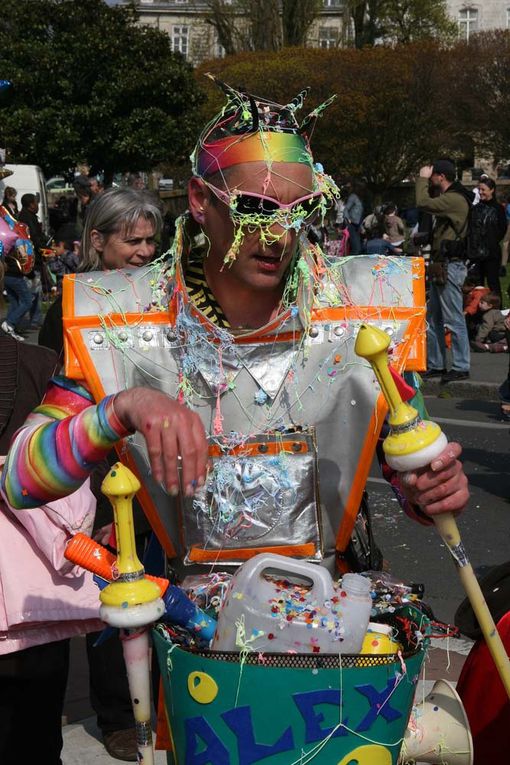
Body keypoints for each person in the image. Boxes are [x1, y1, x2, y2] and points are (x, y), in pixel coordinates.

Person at [2, 82, 469, 749]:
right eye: (253, 206)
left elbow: (411, 469)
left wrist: (433, 489)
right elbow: (22, 476)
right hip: (199, 653)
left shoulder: (364, 310)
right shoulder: (124, 319)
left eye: (297, 208)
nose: (277, 232)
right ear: (200, 200)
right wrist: (121, 408)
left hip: (333, 642)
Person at [0, 311, 101, 765]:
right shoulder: (39, 364)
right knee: (35, 738)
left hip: (32, 612)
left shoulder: (40, 366)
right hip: (36, 598)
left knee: (34, 736)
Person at [39, 187, 161, 357]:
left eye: (150, 241)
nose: (146, 251)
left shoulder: (164, 297)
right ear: (98, 240)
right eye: (133, 241)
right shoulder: (69, 308)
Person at [416, 160, 473, 383]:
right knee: (434, 318)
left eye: (432, 176)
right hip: (443, 266)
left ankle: (461, 365)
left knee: (453, 318)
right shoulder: (453, 197)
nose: (430, 179)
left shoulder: (454, 199)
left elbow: (422, 202)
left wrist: (421, 178)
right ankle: (438, 364)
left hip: (451, 266)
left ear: (441, 176)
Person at [467, 177, 507, 301]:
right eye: (479, 189)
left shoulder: (498, 209)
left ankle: (496, 312)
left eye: (483, 190)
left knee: (493, 284)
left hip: (491, 253)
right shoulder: (475, 208)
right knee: (477, 285)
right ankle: (477, 313)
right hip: (476, 253)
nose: (480, 192)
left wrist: (490, 241)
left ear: (492, 190)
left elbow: (502, 229)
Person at [343, 180, 363, 255]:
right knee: (356, 248)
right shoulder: (353, 197)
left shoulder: (359, 198)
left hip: (357, 225)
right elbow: (346, 209)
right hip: (351, 224)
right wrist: (348, 219)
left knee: (358, 247)